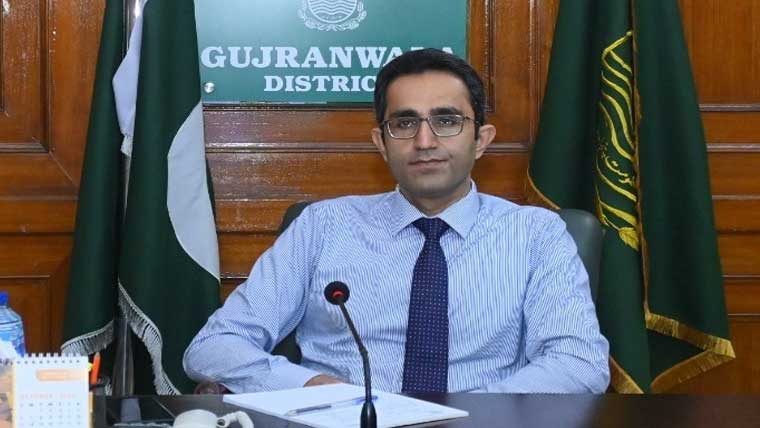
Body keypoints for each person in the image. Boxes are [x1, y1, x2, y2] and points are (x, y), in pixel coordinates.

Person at [183, 48, 610, 393]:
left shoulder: (536, 235)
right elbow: (214, 346)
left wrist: (466, 415)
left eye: (446, 120)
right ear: (381, 143)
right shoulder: (322, 227)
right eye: (404, 123)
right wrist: (309, 387)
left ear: (481, 140)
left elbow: (578, 363)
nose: (424, 141)